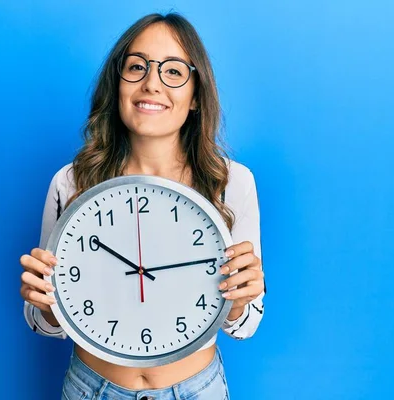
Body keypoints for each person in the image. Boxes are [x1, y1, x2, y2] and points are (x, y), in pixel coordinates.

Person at [19, 12, 266, 400]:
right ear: (117, 84)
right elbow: (47, 325)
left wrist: (241, 300)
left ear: (196, 94)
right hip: (91, 389)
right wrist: (45, 301)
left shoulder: (233, 183)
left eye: (173, 71)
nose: (152, 84)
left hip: (197, 390)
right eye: (137, 67)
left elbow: (245, 325)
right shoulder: (70, 183)